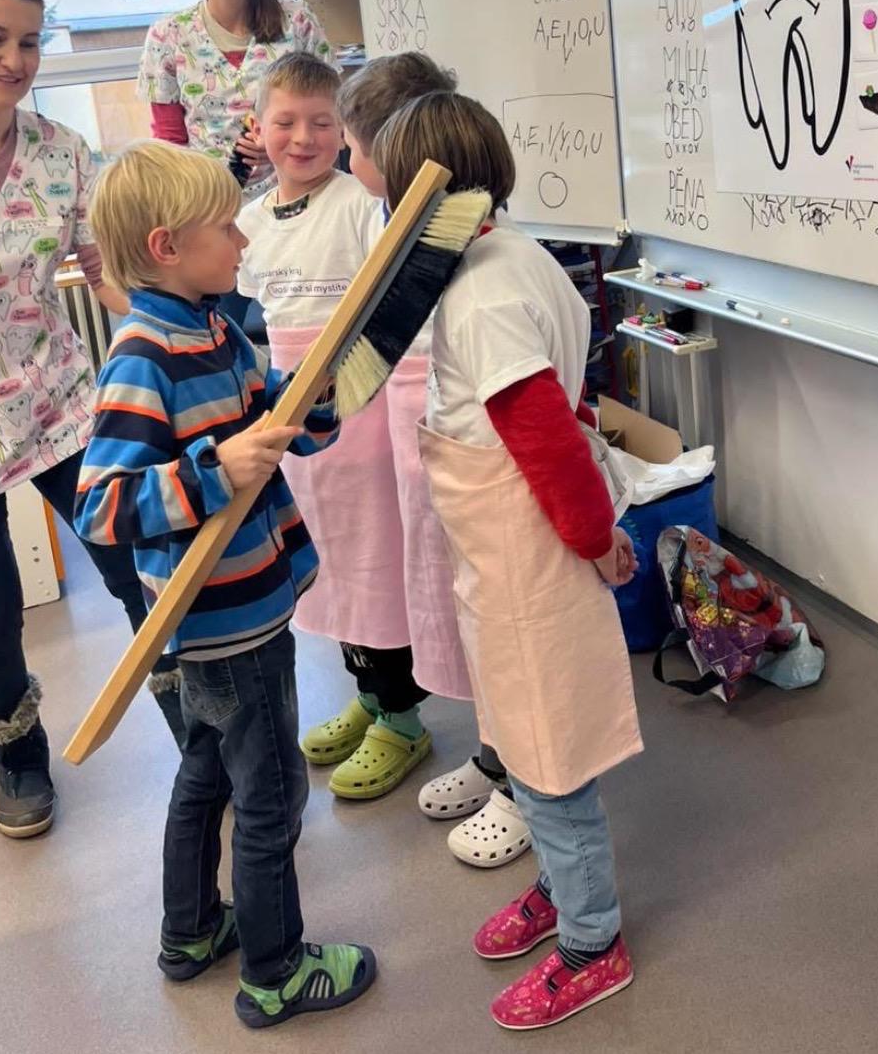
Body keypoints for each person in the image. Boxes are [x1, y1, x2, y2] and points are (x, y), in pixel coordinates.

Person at [74, 140, 376, 1031]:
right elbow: (101, 506)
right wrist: (213, 471)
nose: (243, 240)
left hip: (245, 605)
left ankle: (192, 932)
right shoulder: (144, 357)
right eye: (225, 228)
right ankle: (275, 972)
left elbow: (275, 416)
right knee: (271, 795)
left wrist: (313, 396)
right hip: (224, 623)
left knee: (205, 774)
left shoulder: (215, 329)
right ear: (166, 247)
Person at [375, 91, 642, 1031]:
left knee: (549, 756)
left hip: (531, 551)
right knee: (526, 736)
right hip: (506, 552)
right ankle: (562, 891)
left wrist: (595, 538)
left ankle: (592, 941)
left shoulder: (482, 294)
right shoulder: (510, 255)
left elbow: (548, 439)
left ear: (418, 197)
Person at [0, 0, 184, 844]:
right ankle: (18, 755)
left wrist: (174, 336)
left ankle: (197, 723)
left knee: (134, 561)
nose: (15, 59)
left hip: (60, 401)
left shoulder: (61, 152)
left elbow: (105, 270)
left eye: (29, 41)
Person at [338, 52, 530, 866]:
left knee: (503, 627)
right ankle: (495, 754)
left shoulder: (484, 265)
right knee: (464, 613)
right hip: (439, 455)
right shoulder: (406, 231)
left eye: (353, 148)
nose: (348, 161)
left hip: (480, 467)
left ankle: (529, 782)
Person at [236, 52, 431, 800]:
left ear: (345, 131)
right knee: (329, 562)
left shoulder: (359, 204)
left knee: (375, 558)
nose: (303, 138)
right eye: (285, 122)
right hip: (295, 417)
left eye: (322, 123)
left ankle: (402, 716)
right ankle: (370, 694)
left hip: (360, 407)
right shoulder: (251, 221)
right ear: (258, 128)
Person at [135, 0, 333, 324]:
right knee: (225, 336)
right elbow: (169, 144)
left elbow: (332, 114)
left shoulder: (297, 22)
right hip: (211, 222)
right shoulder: (168, 36)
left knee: (304, 328)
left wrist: (279, 147)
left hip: (301, 209)